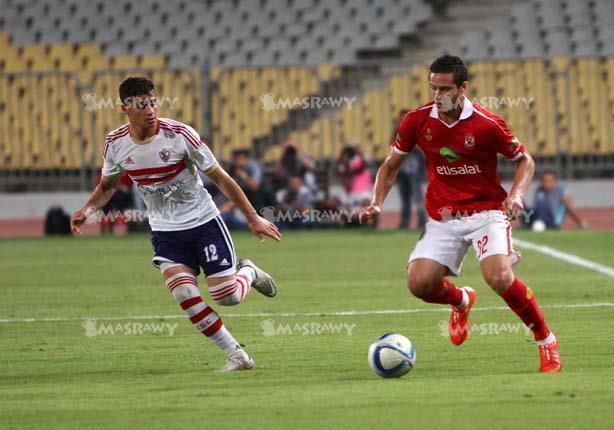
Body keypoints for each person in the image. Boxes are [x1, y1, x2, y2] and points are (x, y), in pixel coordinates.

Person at [360, 55, 561, 373]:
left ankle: (545, 339)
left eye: (444, 89)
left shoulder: (487, 124)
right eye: (432, 88)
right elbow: (390, 166)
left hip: (487, 212)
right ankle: (461, 300)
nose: (437, 96)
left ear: (463, 88)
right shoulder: (417, 120)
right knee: (419, 284)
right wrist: (376, 203)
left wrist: (517, 195)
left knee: (498, 276)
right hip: (443, 217)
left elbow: (525, 160)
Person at [70, 77, 282, 372]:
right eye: (142, 104)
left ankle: (248, 272)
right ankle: (237, 355)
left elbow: (221, 177)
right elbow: (107, 185)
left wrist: (253, 218)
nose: (150, 109)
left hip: (203, 222)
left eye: (153, 102)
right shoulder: (115, 143)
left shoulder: (180, 135)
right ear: (125, 108)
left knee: (227, 296)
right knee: (183, 293)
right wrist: (88, 208)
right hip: (166, 231)